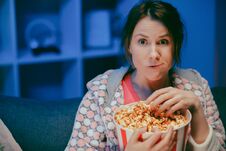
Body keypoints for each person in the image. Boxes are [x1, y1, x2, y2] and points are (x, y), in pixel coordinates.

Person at [65, 0, 226, 150]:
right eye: (142, 42)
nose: (153, 54)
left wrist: (196, 110)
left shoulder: (197, 87)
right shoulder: (101, 95)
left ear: (175, 46)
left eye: (163, 42)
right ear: (129, 45)